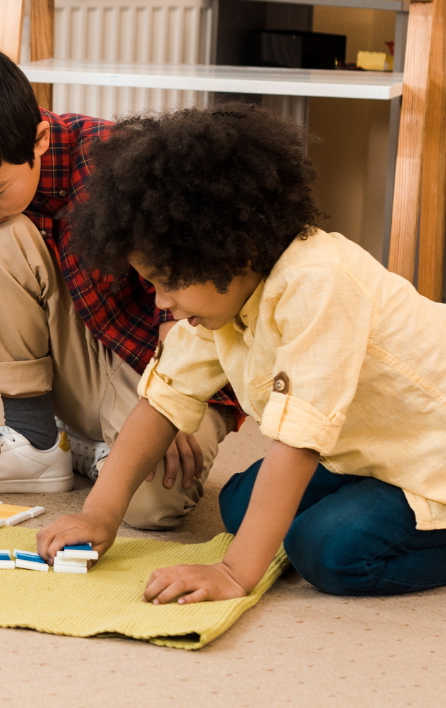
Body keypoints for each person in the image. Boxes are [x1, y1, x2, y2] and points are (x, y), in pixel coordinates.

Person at [38, 104, 446, 600]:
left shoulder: (319, 283)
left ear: (232, 250)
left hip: (432, 459)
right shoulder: (222, 297)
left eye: (168, 283)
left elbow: (298, 443)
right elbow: (162, 401)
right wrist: (98, 514)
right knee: (238, 503)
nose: (161, 303)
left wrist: (233, 573)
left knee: (328, 550)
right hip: (375, 451)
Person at [0, 46, 235, 529]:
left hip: (161, 364)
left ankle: (85, 450)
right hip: (73, 367)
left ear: (38, 140)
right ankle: (35, 442)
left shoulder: (116, 160)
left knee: (152, 505)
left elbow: (179, 308)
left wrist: (172, 403)